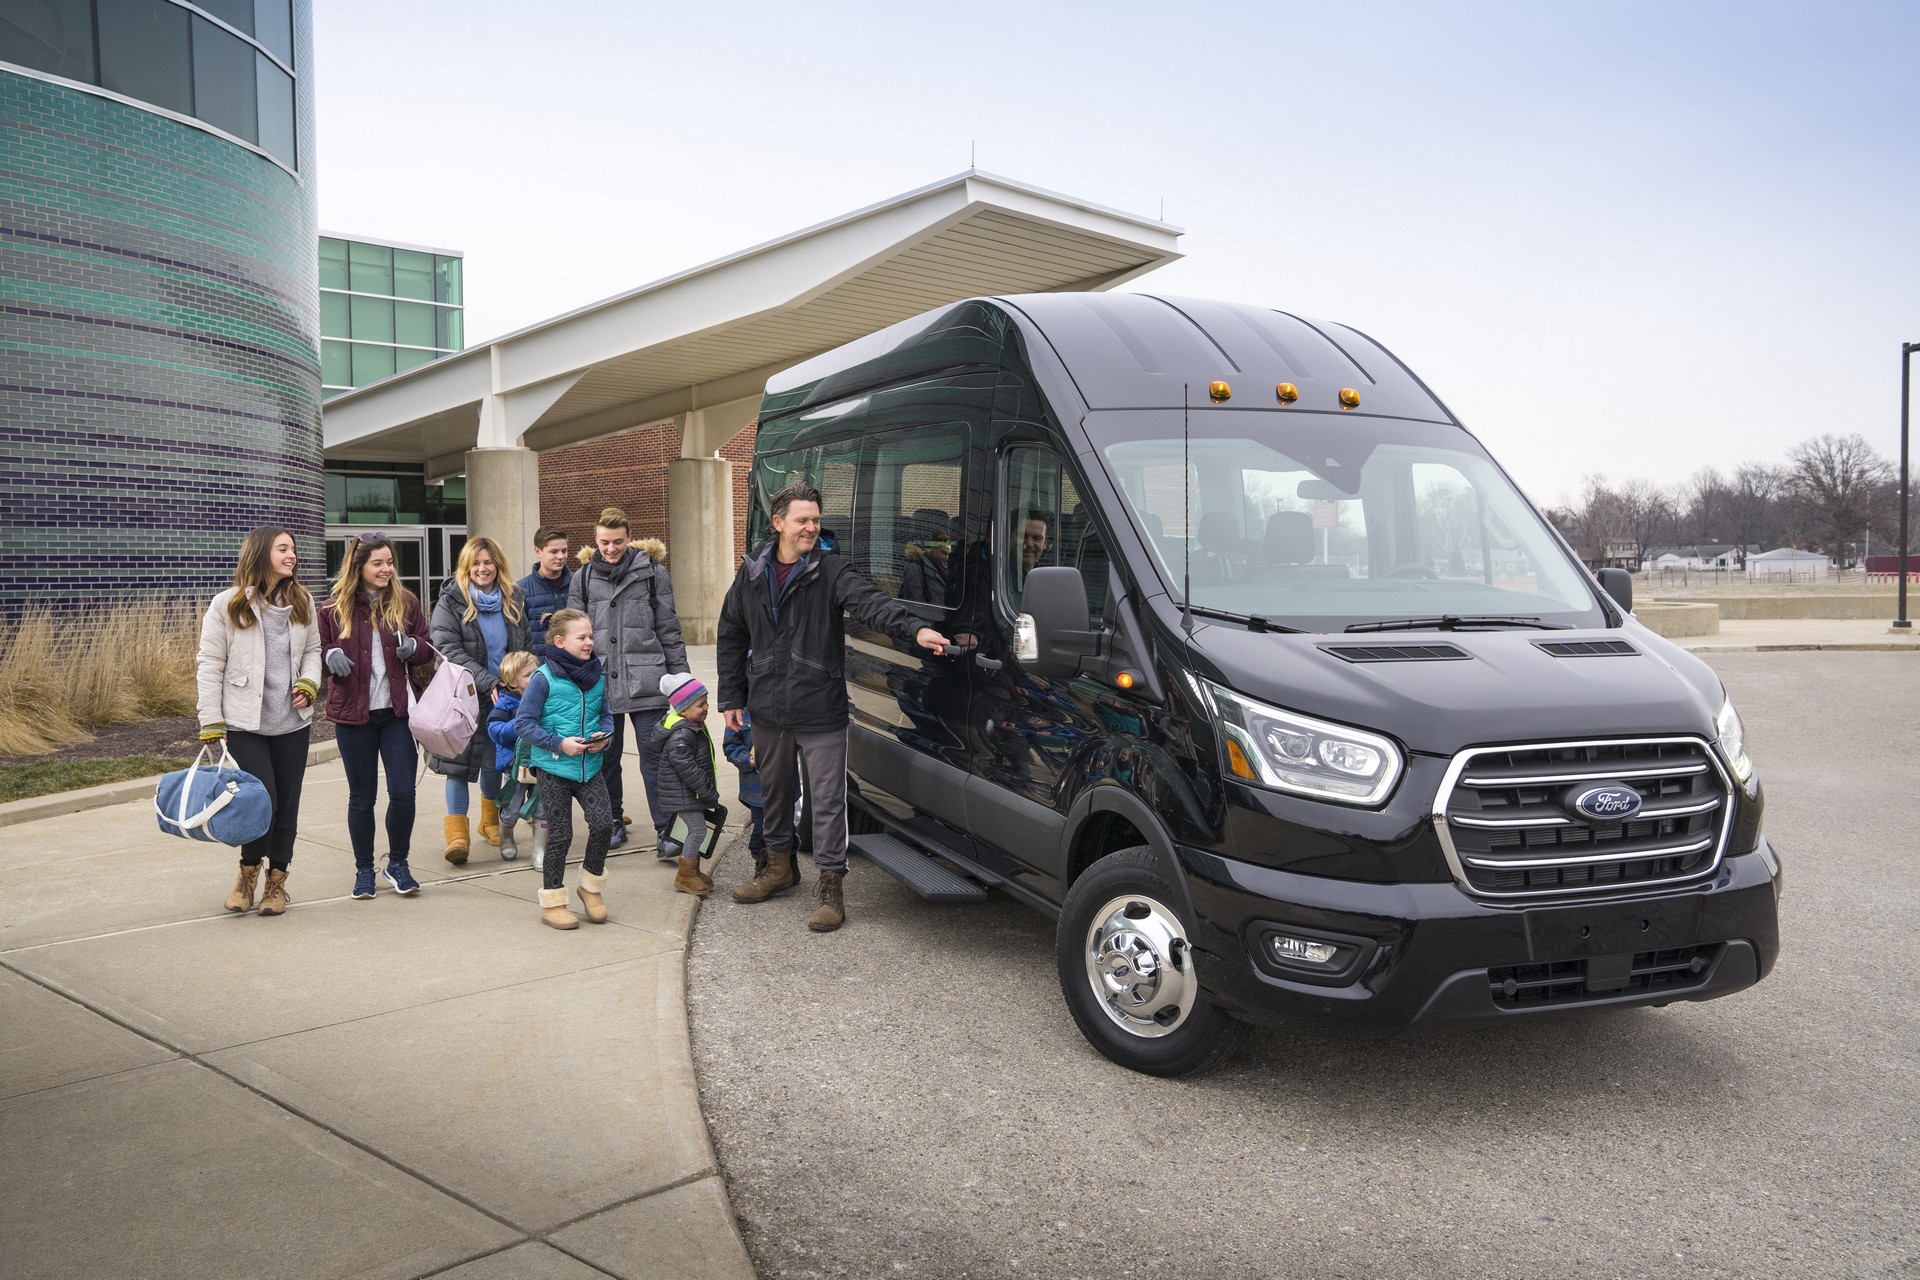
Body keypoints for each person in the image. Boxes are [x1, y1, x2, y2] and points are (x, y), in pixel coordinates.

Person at [716, 482, 951, 932]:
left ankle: (830, 886)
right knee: (774, 792)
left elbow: (873, 604)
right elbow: (731, 634)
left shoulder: (831, 570)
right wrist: (731, 696)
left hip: (819, 705)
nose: (811, 528)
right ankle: (777, 868)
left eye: (816, 520)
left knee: (826, 800)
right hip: (767, 705)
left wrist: (916, 629)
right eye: (802, 520)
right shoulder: (751, 573)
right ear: (778, 523)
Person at [196, 526, 321, 917]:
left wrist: (309, 683)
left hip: (292, 723)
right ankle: (247, 875)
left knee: (287, 805)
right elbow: (210, 664)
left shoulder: (302, 601)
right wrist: (211, 720)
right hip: (244, 723)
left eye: (293, 549)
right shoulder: (227, 604)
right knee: (259, 802)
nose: (292, 555)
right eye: (283, 549)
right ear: (262, 553)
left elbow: (314, 651)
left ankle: (277, 883)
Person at [320, 532, 436, 900]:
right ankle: (364, 869)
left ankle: (398, 864)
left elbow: (427, 646)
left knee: (403, 792)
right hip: (353, 717)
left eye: (390, 562)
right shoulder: (331, 609)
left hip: (397, 714)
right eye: (378, 563)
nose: (387, 569)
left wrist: (414, 646)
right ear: (359, 566)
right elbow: (315, 651)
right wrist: (328, 656)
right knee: (362, 797)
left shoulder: (405, 602)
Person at [566, 507, 688, 856]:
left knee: (657, 756)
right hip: (600, 682)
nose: (611, 549)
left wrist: (682, 683)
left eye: (617, 542)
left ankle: (668, 829)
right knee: (605, 758)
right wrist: (570, 681)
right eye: (604, 542)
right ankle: (612, 821)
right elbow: (572, 635)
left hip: (648, 680)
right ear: (595, 539)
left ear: (629, 537)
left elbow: (669, 629)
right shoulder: (582, 578)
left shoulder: (653, 573)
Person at [430, 536, 531, 863]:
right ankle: (457, 836)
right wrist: (488, 681)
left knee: (492, 762)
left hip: (503, 696)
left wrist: (522, 682)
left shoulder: (514, 600)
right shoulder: (451, 601)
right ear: (466, 566)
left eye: (488, 562)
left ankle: (489, 822)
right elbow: (448, 649)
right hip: (463, 695)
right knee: (457, 766)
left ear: (497, 565)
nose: (482, 568)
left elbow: (525, 646)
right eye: (475, 563)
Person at [514, 608, 615, 929]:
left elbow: (606, 716)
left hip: (590, 767)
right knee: (561, 834)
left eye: (590, 636)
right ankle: (553, 902)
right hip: (554, 769)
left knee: (603, 825)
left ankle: (590, 888)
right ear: (559, 642)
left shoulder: (596, 674)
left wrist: (604, 739)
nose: (589, 642)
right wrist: (559, 744)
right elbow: (523, 724)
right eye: (581, 637)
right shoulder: (543, 679)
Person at [485, 650, 541, 861]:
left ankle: (540, 850)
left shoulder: (545, 698)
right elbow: (495, 730)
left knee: (542, 808)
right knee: (512, 808)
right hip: (516, 765)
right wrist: (521, 722)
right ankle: (506, 836)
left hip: (542, 763)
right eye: (527, 675)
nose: (534, 678)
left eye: (536, 672)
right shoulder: (506, 703)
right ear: (512, 681)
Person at [721, 703, 770, 883]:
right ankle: (763, 865)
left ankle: (788, 864)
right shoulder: (740, 713)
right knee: (761, 829)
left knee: (786, 828)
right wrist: (748, 759)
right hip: (756, 789)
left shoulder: (782, 705)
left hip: (783, 784)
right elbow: (731, 746)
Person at [519, 526, 573, 648]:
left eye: (564, 551)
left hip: (574, 659)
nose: (561, 556)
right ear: (538, 551)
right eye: (554, 552)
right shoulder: (521, 590)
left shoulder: (579, 583)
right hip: (538, 660)